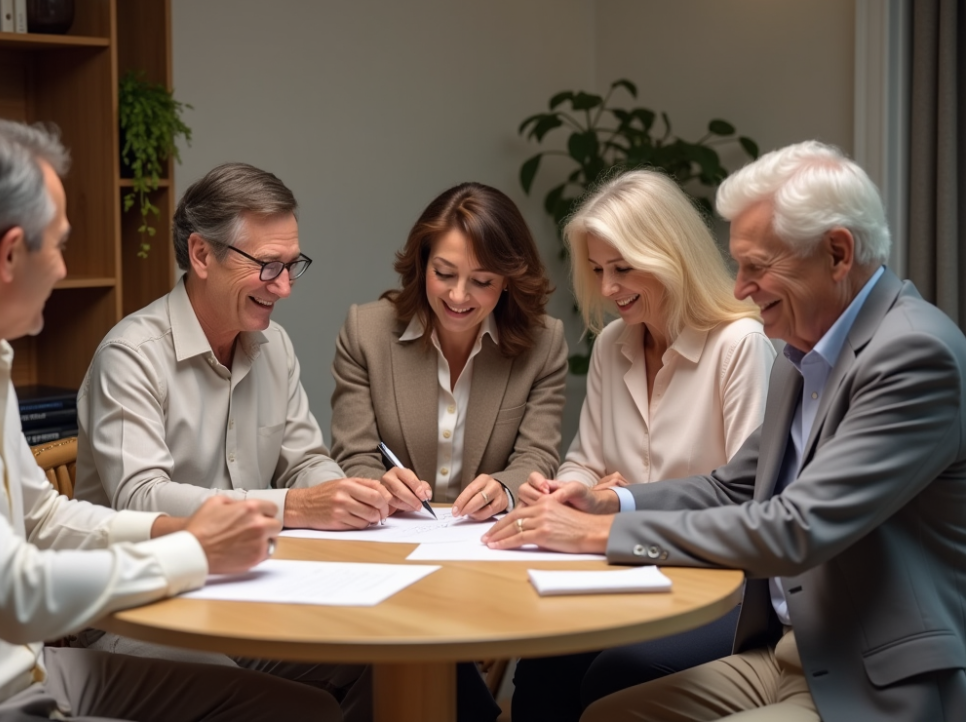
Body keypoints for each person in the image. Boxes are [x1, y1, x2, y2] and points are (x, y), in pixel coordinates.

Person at [0, 118, 340, 722]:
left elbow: (41, 516)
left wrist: (183, 533)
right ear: (7, 254)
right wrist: (196, 552)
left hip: (29, 670)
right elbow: (14, 592)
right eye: (56, 245)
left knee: (303, 710)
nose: (62, 267)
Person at [485, 141, 966, 722]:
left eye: (757, 267)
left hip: (868, 674)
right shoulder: (804, 350)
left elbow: (795, 529)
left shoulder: (914, 353)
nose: (739, 288)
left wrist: (598, 536)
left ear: (838, 254)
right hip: (786, 652)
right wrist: (608, 500)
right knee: (603, 710)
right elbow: (731, 486)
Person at [74, 162, 386, 721]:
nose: (285, 288)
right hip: (145, 608)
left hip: (249, 597)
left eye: (293, 267)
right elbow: (140, 498)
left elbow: (306, 460)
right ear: (201, 255)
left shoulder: (275, 347)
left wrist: (347, 497)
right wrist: (296, 506)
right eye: (268, 266)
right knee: (288, 708)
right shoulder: (131, 356)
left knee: (385, 661)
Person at [510, 170, 777, 717]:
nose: (608, 288)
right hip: (623, 569)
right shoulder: (613, 343)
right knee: (544, 660)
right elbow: (587, 460)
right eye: (598, 270)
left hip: (721, 586)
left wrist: (625, 503)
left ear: (669, 256)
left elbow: (749, 501)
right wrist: (565, 492)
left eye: (623, 268)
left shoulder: (741, 346)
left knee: (615, 671)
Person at [331, 182, 567, 521]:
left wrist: (504, 489)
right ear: (423, 262)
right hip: (393, 533)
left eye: (482, 281)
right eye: (444, 274)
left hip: (489, 539)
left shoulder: (544, 343)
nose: (458, 296)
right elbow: (353, 456)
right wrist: (381, 485)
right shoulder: (365, 332)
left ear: (508, 280)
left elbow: (537, 456)